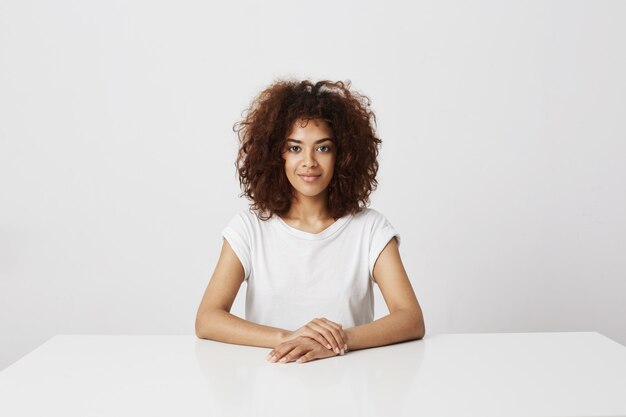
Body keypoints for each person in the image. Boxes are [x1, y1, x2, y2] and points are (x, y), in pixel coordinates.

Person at [195, 79, 425, 364]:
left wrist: (338, 341)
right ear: (276, 154)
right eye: (294, 148)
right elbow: (207, 319)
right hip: (270, 384)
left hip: (350, 385)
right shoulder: (249, 228)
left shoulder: (370, 228)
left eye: (323, 148)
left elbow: (411, 318)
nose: (309, 162)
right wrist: (289, 338)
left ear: (344, 155)